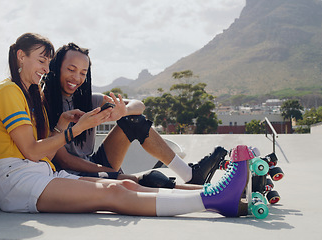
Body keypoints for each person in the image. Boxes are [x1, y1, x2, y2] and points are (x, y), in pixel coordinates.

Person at [0, 32, 251, 217]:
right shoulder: (8, 92)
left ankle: (220, 197)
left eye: (47, 62)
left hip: (39, 173)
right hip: (20, 179)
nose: (45, 68)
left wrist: (64, 124)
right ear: (20, 56)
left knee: (125, 187)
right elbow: (31, 151)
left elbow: (39, 152)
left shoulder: (30, 96)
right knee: (115, 191)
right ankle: (211, 200)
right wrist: (77, 130)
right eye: (42, 61)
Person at [42, 43, 228, 187]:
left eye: (83, 73)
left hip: (95, 163)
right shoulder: (43, 104)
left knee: (133, 120)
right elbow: (63, 159)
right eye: (71, 69)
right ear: (56, 67)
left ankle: (189, 175)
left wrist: (125, 111)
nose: (77, 78)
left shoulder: (89, 100)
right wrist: (110, 172)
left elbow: (139, 105)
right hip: (69, 175)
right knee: (148, 182)